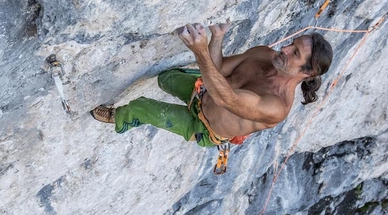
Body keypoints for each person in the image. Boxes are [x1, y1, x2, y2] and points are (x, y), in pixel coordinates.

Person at [90, 23, 333, 150]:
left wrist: (200, 51)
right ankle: (185, 82)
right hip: (203, 93)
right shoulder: (264, 55)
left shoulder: (275, 107)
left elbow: (226, 99)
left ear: (307, 72)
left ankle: (119, 116)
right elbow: (220, 70)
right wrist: (216, 40)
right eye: (291, 44)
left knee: (141, 106)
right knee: (166, 78)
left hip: (204, 126)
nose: (285, 49)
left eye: (295, 53)